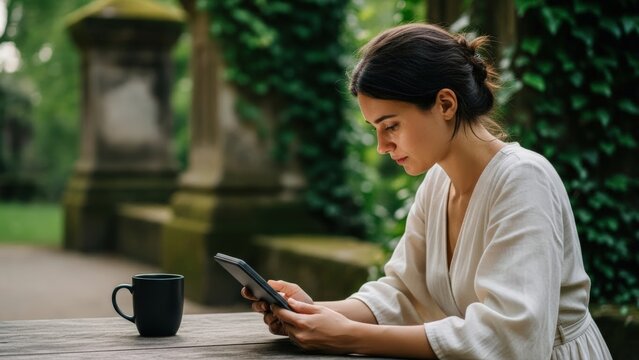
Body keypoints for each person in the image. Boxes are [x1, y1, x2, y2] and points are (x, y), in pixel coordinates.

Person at [242, 23, 612, 359]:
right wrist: (315, 313)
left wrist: (350, 336)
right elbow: (404, 293)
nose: (381, 146)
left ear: (445, 104)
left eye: (391, 126)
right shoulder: (438, 183)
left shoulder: (523, 180)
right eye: (375, 128)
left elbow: (511, 338)